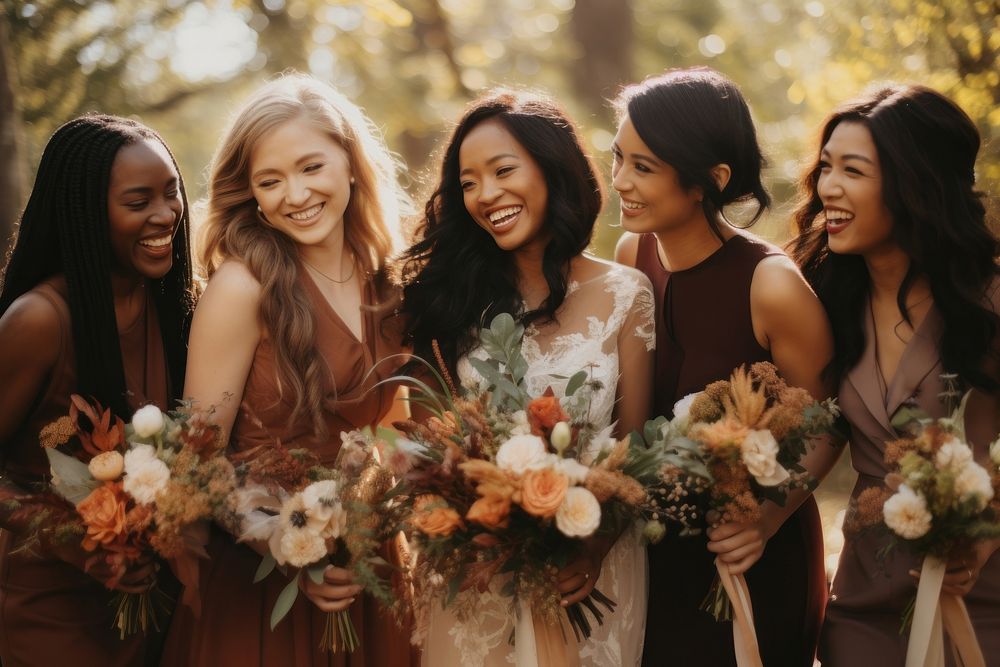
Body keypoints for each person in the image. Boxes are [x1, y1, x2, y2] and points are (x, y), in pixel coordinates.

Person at [160, 74, 417, 667]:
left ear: (351, 163)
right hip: (262, 586)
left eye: (311, 167)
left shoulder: (392, 278)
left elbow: (398, 436)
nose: (294, 195)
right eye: (269, 181)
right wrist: (287, 545)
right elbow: (197, 464)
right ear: (248, 194)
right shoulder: (241, 287)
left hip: (372, 574)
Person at [400, 88, 655, 667]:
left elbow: (634, 447)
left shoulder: (625, 293)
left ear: (552, 168)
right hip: (479, 574)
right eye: (467, 182)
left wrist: (591, 545)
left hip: (594, 568)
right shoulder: (447, 301)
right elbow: (433, 455)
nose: (486, 195)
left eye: (502, 170)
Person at [611, 67, 838, 666]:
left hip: (753, 558)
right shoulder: (630, 255)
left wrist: (763, 522)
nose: (620, 182)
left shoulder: (771, 284)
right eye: (618, 159)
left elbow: (826, 424)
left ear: (710, 180)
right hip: (656, 554)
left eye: (643, 167)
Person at [790, 84, 1000, 665]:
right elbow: (817, 432)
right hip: (865, 601)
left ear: (916, 184)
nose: (828, 187)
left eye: (853, 171)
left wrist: (984, 536)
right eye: (826, 167)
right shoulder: (820, 300)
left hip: (979, 590)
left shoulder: (989, 303)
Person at [0, 114, 195, 666]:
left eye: (171, 192)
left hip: (162, 606)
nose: (166, 216)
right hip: (54, 616)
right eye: (138, 203)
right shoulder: (39, 321)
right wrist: (76, 538)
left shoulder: (178, 307)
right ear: (85, 215)